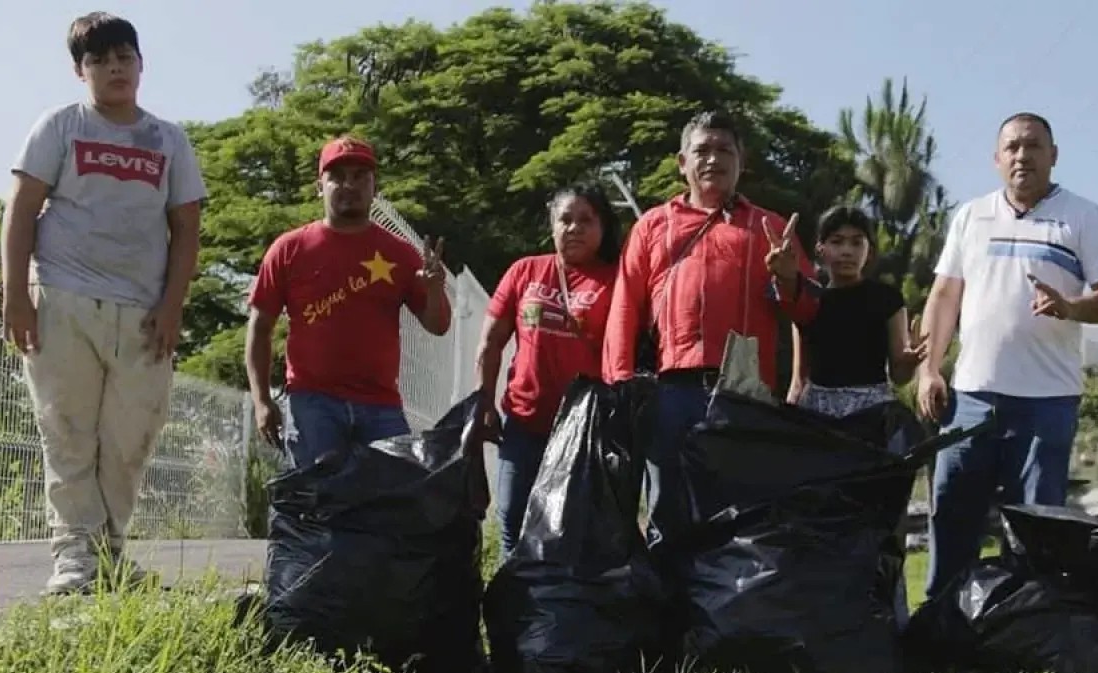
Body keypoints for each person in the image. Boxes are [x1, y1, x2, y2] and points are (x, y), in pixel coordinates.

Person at [0, 13, 208, 594]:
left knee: (129, 437)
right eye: (99, 59)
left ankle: (111, 554)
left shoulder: (169, 139)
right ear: (80, 70)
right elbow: (20, 211)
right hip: (63, 298)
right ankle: (75, 559)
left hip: (142, 312)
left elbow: (186, 229)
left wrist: (172, 307)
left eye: (124, 56)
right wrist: (16, 295)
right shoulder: (60, 126)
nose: (114, 67)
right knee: (66, 431)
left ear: (141, 64)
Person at [917, 112, 1098, 598]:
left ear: (1053, 156)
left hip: (1047, 400)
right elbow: (945, 297)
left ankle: (1032, 622)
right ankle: (942, 623)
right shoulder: (971, 216)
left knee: (1037, 521)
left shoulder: (1082, 216)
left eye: (1033, 146)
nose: (1022, 156)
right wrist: (930, 369)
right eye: (1011, 147)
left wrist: (1071, 306)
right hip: (970, 396)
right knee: (952, 510)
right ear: (996, 159)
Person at [601, 109, 819, 549]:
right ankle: (668, 614)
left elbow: (810, 313)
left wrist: (789, 278)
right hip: (670, 393)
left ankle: (725, 617)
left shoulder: (772, 228)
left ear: (742, 161)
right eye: (702, 150)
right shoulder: (652, 227)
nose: (712, 159)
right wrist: (620, 387)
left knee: (739, 520)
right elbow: (624, 308)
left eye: (724, 150)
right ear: (682, 162)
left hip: (744, 395)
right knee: (668, 515)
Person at [245, 136, 452, 468]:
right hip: (312, 403)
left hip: (381, 405)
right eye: (337, 176)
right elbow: (260, 328)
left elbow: (438, 325)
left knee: (391, 502)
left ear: (375, 187)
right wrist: (261, 401)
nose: (349, 185)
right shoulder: (289, 249)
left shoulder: (399, 253)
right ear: (320, 186)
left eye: (360, 176)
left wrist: (434, 289)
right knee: (318, 504)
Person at [473, 182, 622, 555]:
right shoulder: (525, 271)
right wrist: (484, 401)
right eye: (565, 219)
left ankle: (560, 609)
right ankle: (515, 608)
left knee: (569, 529)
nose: (574, 228)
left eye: (586, 220)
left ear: (602, 227)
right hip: (524, 424)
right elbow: (491, 342)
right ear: (552, 225)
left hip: (584, 433)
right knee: (511, 520)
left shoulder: (617, 280)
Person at [788, 205, 926, 417]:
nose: (847, 251)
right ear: (820, 249)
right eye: (836, 241)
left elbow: (899, 376)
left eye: (856, 242)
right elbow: (798, 380)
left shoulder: (887, 299)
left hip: (872, 414)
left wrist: (909, 363)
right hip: (816, 415)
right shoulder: (808, 299)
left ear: (869, 251)